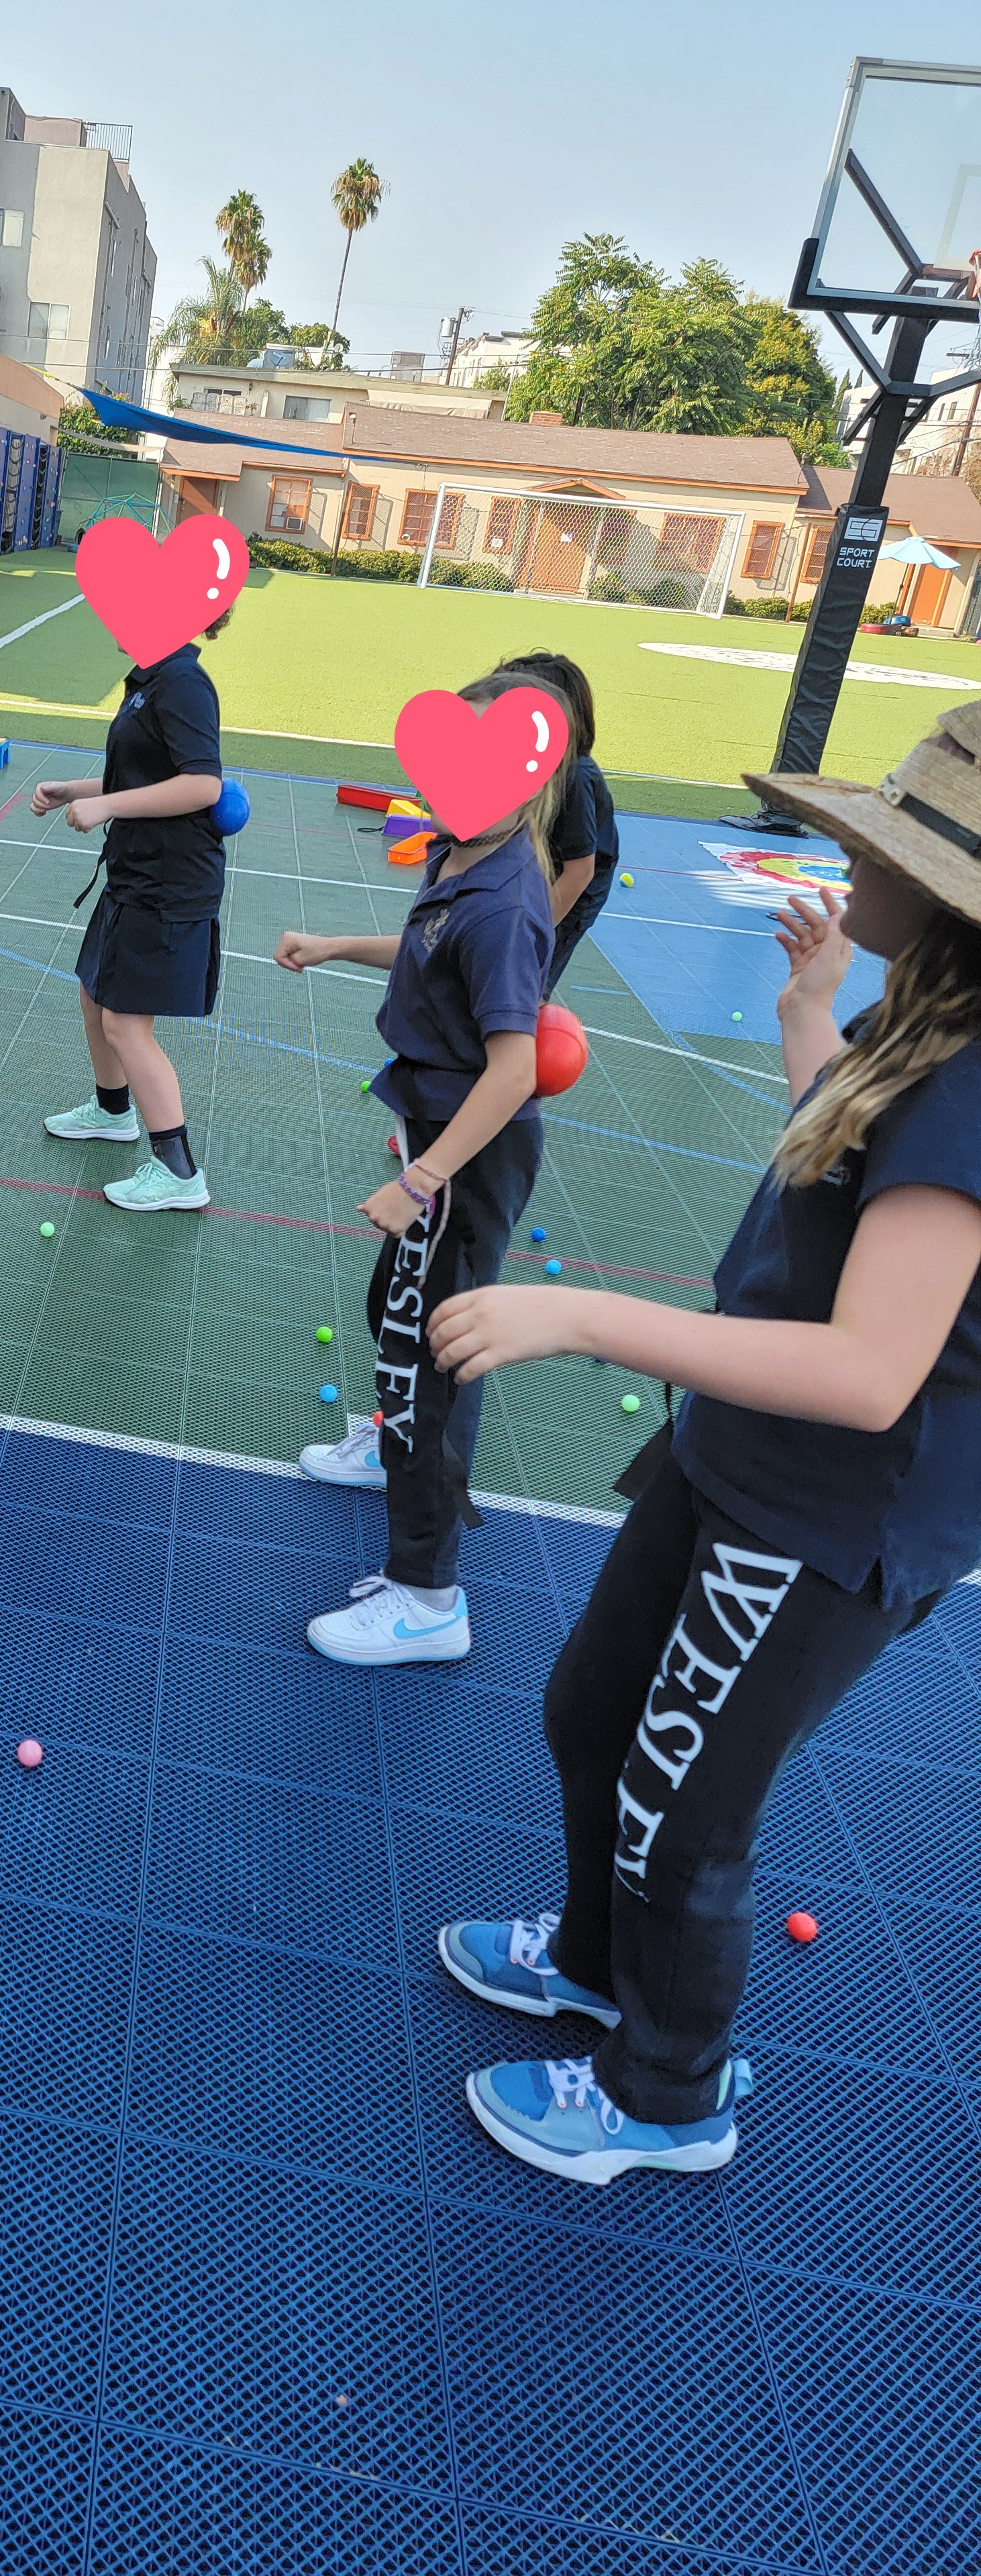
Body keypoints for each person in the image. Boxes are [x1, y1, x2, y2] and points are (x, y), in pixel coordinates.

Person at [425, 699, 981, 2185]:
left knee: (683, 1807)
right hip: (739, 1453)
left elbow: (872, 1371)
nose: (850, 855)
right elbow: (846, 1178)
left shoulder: (972, 1087)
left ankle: (668, 2093)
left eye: (884, 846)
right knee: (593, 1710)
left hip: (824, 1513)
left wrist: (587, 1317)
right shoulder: (916, 1030)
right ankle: (600, 1966)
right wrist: (812, 1017)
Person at [278, 672, 562, 1667]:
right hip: (433, 1133)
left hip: (466, 1155)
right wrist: (332, 945)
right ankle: (383, 1436)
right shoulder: (460, 851)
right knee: (390, 1313)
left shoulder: (505, 904)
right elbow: (418, 947)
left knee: (434, 1365)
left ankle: (429, 1597)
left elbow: (514, 1070)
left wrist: (421, 1180)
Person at [32, 608, 230, 1213]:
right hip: (134, 874)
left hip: (169, 884)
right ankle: (113, 1111)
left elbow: (203, 784)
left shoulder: (184, 683)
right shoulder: (150, 679)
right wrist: (75, 790)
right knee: (95, 995)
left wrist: (107, 807)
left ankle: (179, 1172)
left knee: (125, 1023)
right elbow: (141, 775)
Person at [498, 649, 620, 992]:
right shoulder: (532, 761)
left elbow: (580, 871)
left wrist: (534, 929)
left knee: (524, 976)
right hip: (536, 871)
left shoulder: (575, 777)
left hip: (570, 894)